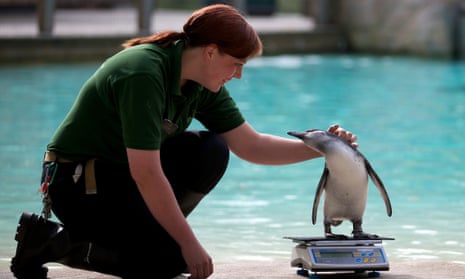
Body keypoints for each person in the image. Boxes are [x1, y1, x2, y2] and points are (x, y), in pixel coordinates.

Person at [10, 4, 357, 279]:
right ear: (210, 52)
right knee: (168, 261)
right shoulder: (144, 72)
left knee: (210, 150)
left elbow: (252, 146)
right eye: (236, 64)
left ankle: (147, 239)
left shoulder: (202, 83)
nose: (238, 75)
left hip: (119, 182)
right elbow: (146, 172)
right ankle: (53, 242)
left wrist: (324, 148)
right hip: (79, 186)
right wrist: (188, 243)